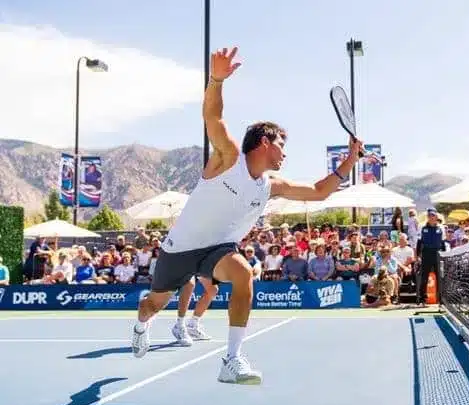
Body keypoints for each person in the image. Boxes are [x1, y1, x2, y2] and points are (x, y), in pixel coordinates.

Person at [130, 46, 364, 386]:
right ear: (266, 142)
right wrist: (217, 80)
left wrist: (350, 160)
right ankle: (141, 326)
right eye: (282, 144)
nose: (285, 153)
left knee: (242, 274)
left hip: (219, 249)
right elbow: (213, 118)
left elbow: (319, 191)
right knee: (153, 304)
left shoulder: (273, 185)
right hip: (180, 248)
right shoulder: (228, 158)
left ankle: (232, 359)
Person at [171, 275, 219, 346]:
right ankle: (179, 325)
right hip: (185, 264)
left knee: (213, 289)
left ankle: (192, 325)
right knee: (189, 284)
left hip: (201, 265)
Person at [416, 208, 445, 305]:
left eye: (433, 215)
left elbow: (443, 243)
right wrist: (418, 256)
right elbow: (419, 243)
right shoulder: (422, 227)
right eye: (429, 216)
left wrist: (444, 256)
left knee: (440, 277)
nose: (431, 217)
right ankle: (422, 299)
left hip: (437, 254)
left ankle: (441, 299)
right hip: (426, 253)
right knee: (424, 276)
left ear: (436, 216)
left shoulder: (441, 228)